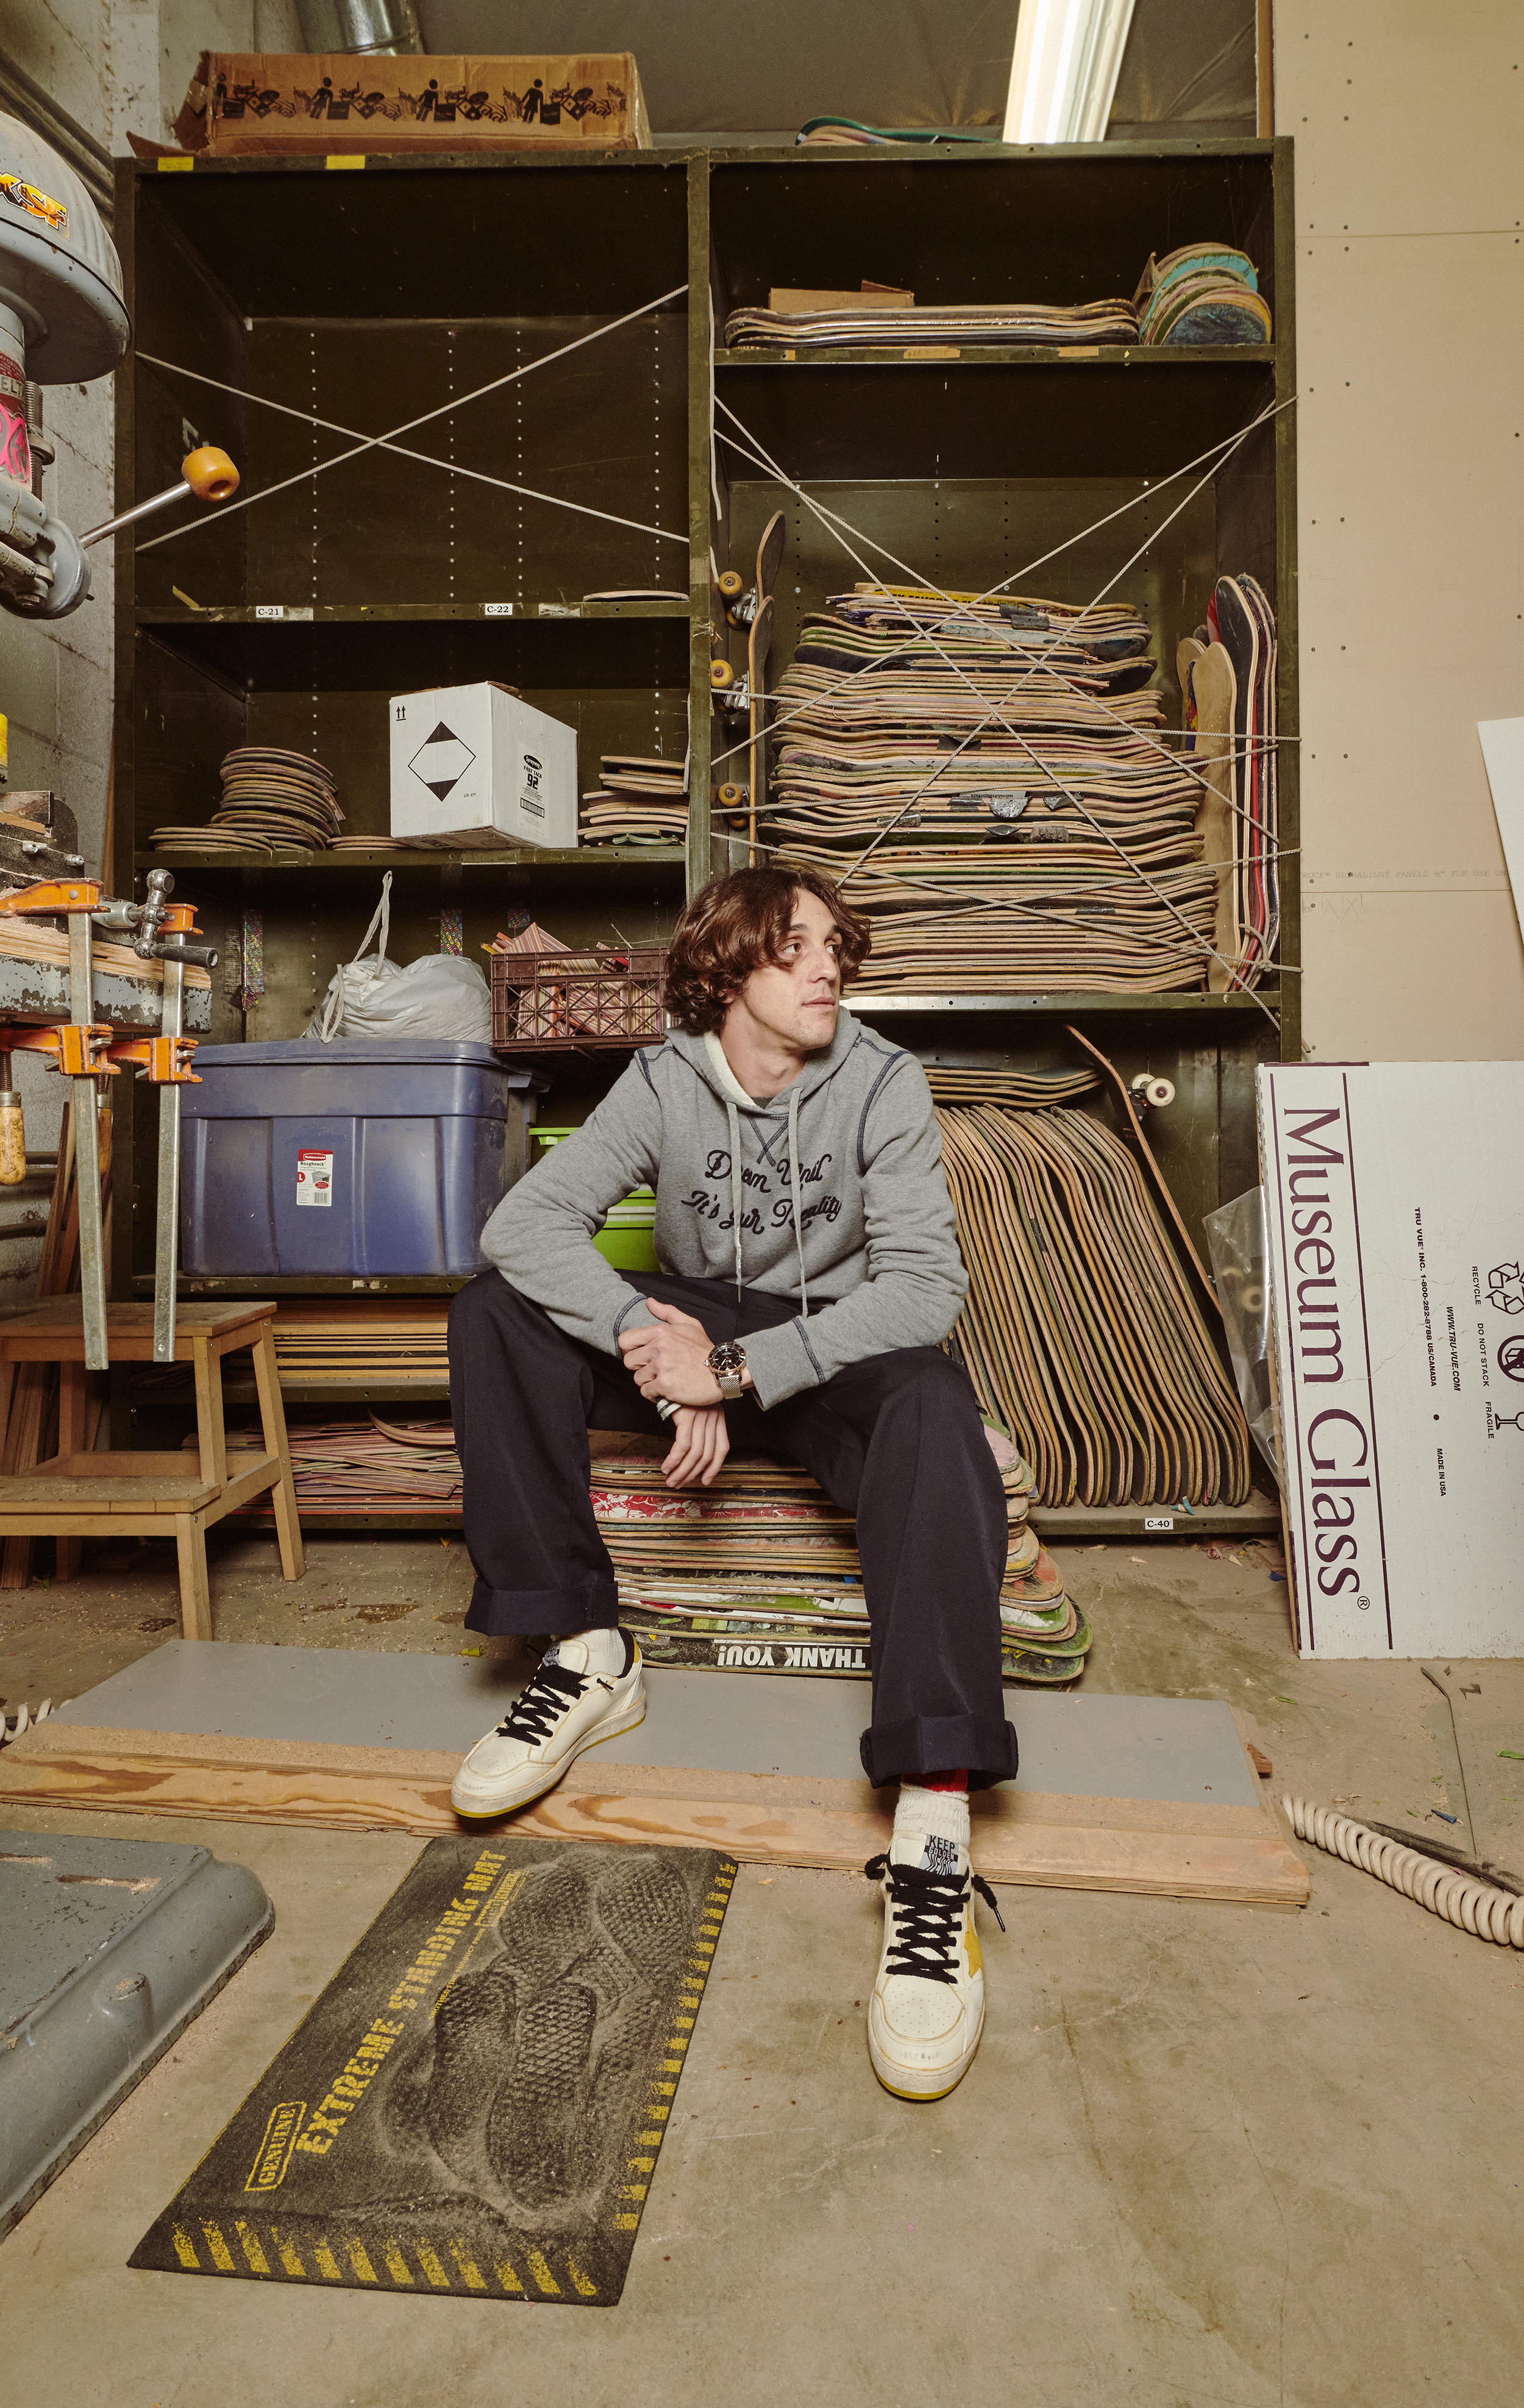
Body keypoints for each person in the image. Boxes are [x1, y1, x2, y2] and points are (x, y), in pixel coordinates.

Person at [447, 866, 1017, 2100]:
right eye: (794, 947)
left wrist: (735, 1370)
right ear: (727, 969)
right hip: (695, 1326)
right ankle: (585, 1648)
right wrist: (655, 1352)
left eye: (834, 946)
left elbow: (924, 1289)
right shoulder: (662, 1080)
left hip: (828, 1351)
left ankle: (933, 1819)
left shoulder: (881, 1081)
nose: (828, 967)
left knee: (932, 1400)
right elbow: (521, 1228)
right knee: (495, 1312)